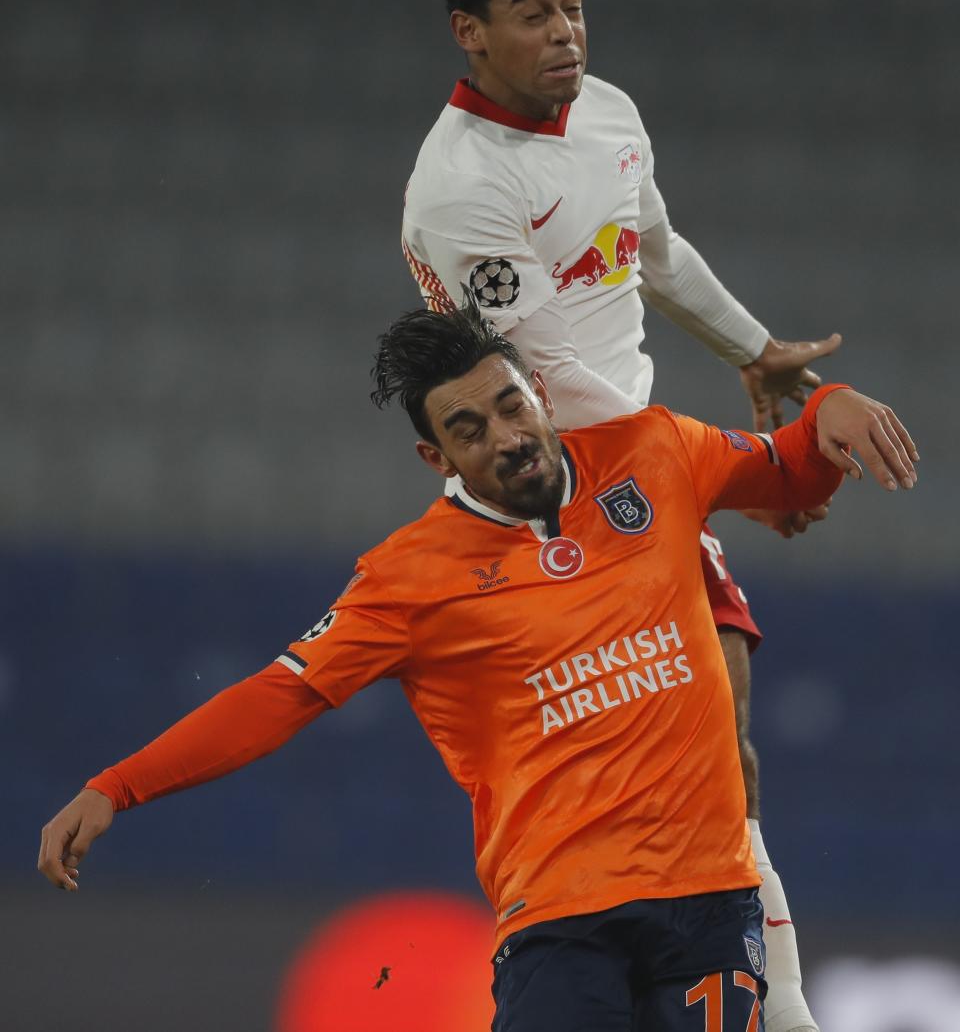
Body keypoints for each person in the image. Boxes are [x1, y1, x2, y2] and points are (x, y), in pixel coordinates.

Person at [39, 303, 918, 1032]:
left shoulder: (653, 451)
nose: (505, 437)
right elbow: (282, 695)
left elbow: (790, 478)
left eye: (509, 406)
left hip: (710, 905)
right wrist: (119, 786)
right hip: (562, 925)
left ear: (538, 392)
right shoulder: (408, 578)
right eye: (468, 429)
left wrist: (828, 411)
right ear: (438, 457)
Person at [401, 0, 842, 1032]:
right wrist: (731, 480)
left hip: (645, 477)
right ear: (470, 31)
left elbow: (652, 248)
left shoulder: (609, 115)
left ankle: (775, 1009)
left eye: (573, 6)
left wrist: (753, 347)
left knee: (722, 761)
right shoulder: (460, 188)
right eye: (534, 13)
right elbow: (544, 391)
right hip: (565, 500)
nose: (565, 31)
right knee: (641, 794)